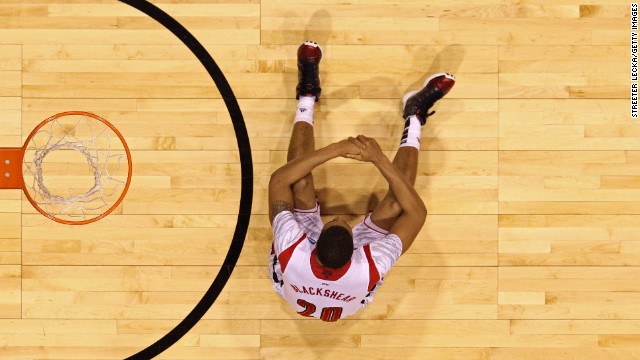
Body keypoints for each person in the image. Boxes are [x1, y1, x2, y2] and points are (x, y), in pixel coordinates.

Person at [268, 41, 456, 321]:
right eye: (344, 223)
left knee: (299, 184)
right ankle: (414, 115)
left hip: (294, 277)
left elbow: (279, 179)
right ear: (357, 251)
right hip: (345, 282)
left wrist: (337, 149)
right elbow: (417, 212)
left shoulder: (291, 248)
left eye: (336, 221)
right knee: (395, 205)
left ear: (313, 241)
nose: (342, 218)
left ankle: (306, 97)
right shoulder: (370, 264)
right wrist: (378, 158)